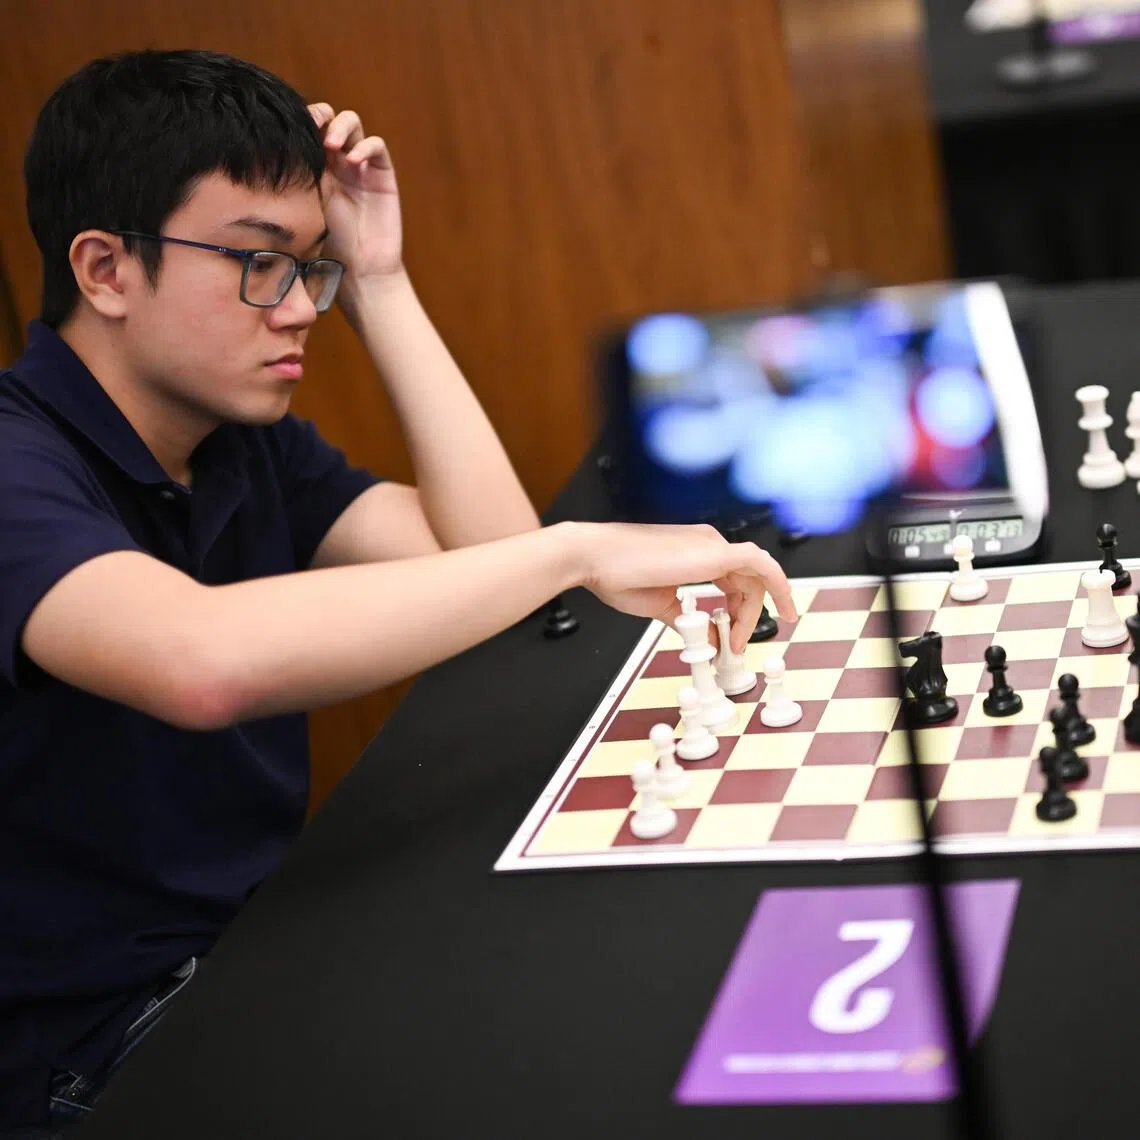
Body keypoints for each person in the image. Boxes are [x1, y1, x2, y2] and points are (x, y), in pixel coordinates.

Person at [0, 49, 795, 1135]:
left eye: (308, 267)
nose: (297, 310)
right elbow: (196, 660)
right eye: (256, 262)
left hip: (257, 948)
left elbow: (487, 554)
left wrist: (379, 277)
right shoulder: (15, 463)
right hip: (96, 1052)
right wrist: (576, 551)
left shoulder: (239, 444)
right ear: (104, 269)